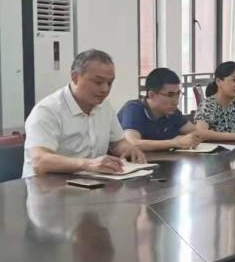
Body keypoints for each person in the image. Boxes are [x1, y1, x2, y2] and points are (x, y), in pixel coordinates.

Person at [22, 49, 146, 177]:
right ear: (75, 77)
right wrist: (86, 164)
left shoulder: (104, 106)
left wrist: (129, 149)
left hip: (90, 182)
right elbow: (40, 161)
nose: (105, 89)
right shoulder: (47, 110)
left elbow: (117, 142)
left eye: (109, 83)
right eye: (98, 82)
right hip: (46, 185)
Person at [117, 67, 201, 152]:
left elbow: (195, 132)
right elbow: (132, 143)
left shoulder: (171, 111)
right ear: (152, 95)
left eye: (178, 94)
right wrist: (174, 143)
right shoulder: (133, 109)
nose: (176, 102)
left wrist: (190, 139)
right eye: (170, 95)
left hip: (165, 159)